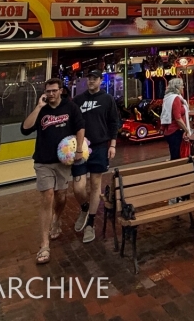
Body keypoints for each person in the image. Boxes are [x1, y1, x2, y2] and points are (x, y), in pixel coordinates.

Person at [21, 78, 85, 265]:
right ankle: (44, 244)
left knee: (61, 196)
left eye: (54, 91)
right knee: (47, 195)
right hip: (43, 161)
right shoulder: (42, 109)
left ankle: (57, 218)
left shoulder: (70, 107)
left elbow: (80, 127)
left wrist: (79, 149)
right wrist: (38, 107)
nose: (50, 94)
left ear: (61, 91)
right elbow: (25, 129)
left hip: (63, 161)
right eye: (47, 91)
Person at [71, 69, 120, 244]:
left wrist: (112, 145)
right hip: (80, 148)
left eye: (95, 78)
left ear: (100, 80)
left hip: (100, 147)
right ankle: (84, 208)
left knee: (96, 184)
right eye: (89, 78)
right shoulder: (78, 100)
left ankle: (90, 223)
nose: (91, 81)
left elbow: (114, 122)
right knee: (78, 187)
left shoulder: (107, 100)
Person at [160, 77, 192, 160]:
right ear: (177, 87)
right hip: (176, 131)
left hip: (169, 131)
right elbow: (178, 118)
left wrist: (162, 128)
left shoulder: (167, 98)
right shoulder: (176, 98)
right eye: (181, 85)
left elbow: (164, 114)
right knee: (179, 157)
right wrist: (186, 130)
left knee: (175, 155)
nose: (183, 87)